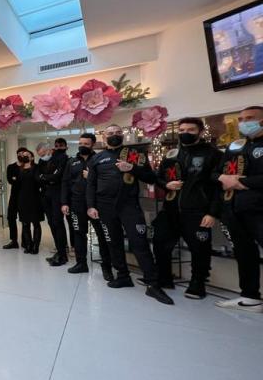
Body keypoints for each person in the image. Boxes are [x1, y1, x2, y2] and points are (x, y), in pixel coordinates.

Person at [86, 124, 174, 305]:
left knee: (139, 243)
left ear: (123, 136)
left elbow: (150, 177)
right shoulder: (97, 158)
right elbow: (91, 184)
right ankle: (123, 276)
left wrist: (131, 168)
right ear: (104, 137)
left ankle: (152, 284)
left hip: (129, 206)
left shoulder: (135, 154)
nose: (114, 135)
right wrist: (91, 206)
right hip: (105, 207)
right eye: (111, 133)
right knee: (113, 242)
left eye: (118, 133)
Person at [153, 118, 223, 299]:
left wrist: (212, 212)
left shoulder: (213, 154)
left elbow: (219, 187)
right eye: (182, 130)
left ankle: (197, 283)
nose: (185, 133)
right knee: (160, 243)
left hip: (198, 210)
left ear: (200, 132)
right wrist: (167, 184)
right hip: (170, 209)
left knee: (200, 249)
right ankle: (164, 278)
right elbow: (158, 178)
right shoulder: (172, 154)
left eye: (191, 130)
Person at [214, 105, 263, 312]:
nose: (244, 123)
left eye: (249, 118)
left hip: (259, 208)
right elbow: (216, 172)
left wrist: (243, 183)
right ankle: (250, 297)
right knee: (244, 253)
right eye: (241, 119)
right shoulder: (235, 146)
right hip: (235, 208)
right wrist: (222, 177)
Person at [61, 133, 113, 278]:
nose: (82, 146)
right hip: (76, 203)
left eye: (86, 144)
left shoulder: (99, 160)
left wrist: (90, 176)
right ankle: (81, 263)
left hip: (96, 204)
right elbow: (65, 183)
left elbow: (106, 180)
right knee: (78, 233)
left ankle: (106, 266)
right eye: (81, 143)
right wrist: (64, 202)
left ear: (93, 145)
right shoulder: (71, 162)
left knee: (102, 235)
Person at [38, 140, 69, 267]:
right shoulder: (42, 161)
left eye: (43, 153)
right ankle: (59, 251)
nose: (42, 156)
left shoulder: (62, 158)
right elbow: (38, 176)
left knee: (58, 222)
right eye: (40, 155)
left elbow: (58, 175)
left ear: (49, 149)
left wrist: (45, 177)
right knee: (51, 223)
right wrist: (47, 178)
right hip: (46, 194)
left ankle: (63, 254)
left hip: (57, 194)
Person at [16, 151, 44, 254]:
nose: (24, 156)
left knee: (36, 223)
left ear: (32, 157)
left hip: (35, 198)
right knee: (25, 223)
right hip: (23, 199)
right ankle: (28, 245)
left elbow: (39, 181)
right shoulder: (20, 168)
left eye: (27, 155)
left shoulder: (36, 167)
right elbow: (17, 183)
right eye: (23, 155)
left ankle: (36, 246)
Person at [3, 148, 28, 249]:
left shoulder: (27, 166)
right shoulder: (11, 167)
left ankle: (25, 241)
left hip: (25, 196)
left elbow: (24, 181)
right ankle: (14, 241)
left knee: (24, 219)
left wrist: (16, 178)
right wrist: (19, 179)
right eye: (19, 153)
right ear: (17, 154)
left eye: (23, 153)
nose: (21, 155)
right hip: (14, 196)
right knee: (11, 217)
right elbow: (10, 180)